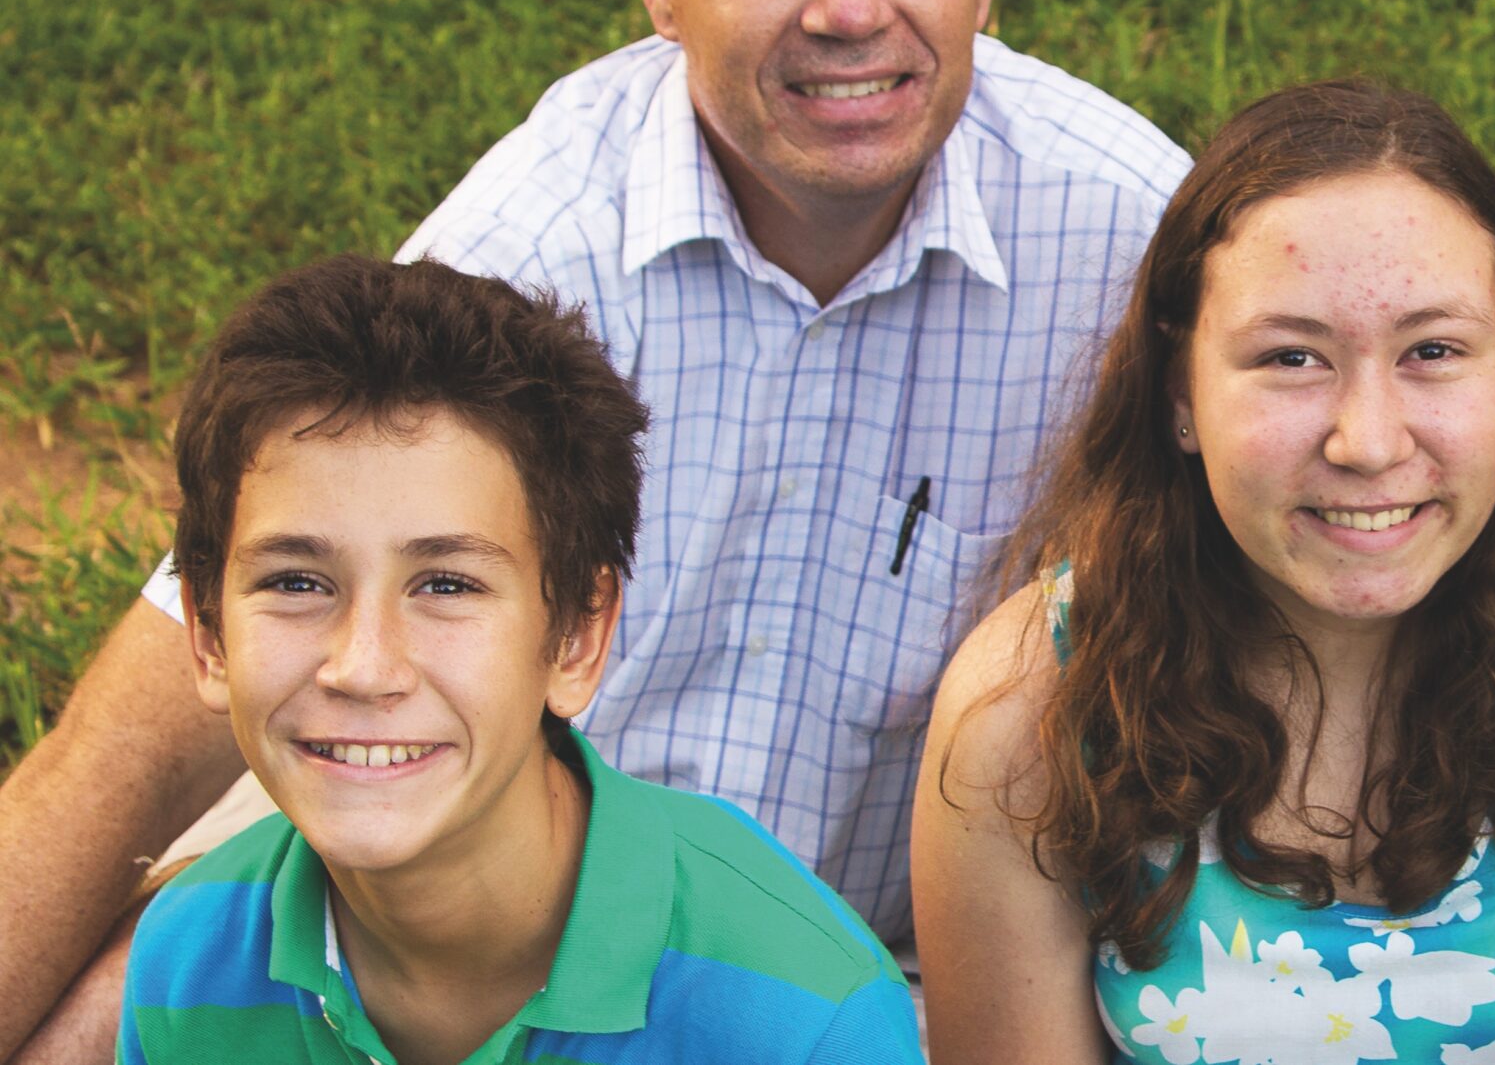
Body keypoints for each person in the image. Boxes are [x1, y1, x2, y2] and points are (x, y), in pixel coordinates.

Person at [0, 0, 1187, 1061]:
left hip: (899, 969)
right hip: (500, 886)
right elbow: (174, 700)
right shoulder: (536, 243)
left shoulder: (1130, 239)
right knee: (106, 1004)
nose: (851, 3)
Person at [911, 80, 1495, 1063]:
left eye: (1434, 349)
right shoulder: (1028, 706)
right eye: (1290, 357)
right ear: (1180, 391)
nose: (1366, 440)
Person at [122, 255, 923, 1064]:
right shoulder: (185, 963)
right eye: (297, 582)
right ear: (207, 631)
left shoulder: (805, 1021)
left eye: (446, 584)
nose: (363, 667)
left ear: (576, 636)